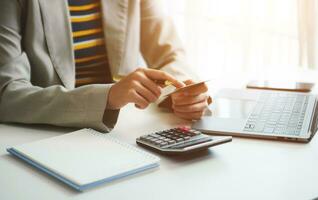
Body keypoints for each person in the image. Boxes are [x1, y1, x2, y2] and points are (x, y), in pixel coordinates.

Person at [0, 0, 210, 132]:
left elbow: (170, 55)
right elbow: (6, 93)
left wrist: (185, 93)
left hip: (122, 133)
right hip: (44, 135)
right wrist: (107, 97)